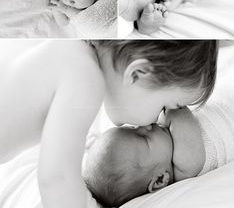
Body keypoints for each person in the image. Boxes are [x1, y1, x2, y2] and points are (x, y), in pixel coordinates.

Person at [0, 40, 218, 208]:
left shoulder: (75, 54)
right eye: (165, 105)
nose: (157, 120)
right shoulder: (85, 79)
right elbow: (56, 179)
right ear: (137, 75)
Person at [83, 96, 234, 206]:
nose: (145, 126)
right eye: (144, 139)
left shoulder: (167, 139)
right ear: (160, 180)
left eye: (133, 128)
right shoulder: (186, 164)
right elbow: (179, 112)